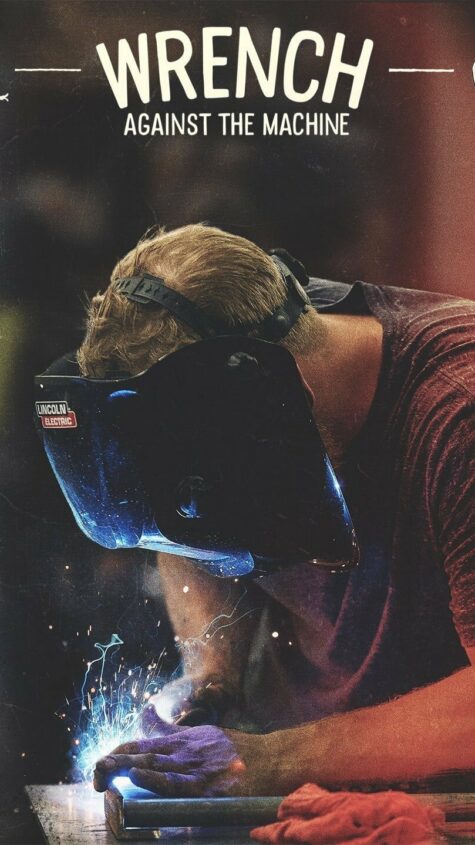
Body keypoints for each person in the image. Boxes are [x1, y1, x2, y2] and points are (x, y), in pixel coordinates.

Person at [51, 224, 475, 796]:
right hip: (297, 788)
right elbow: (183, 524)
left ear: (266, 393)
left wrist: (276, 759)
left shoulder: (457, 418)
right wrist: (211, 677)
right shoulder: (250, 360)